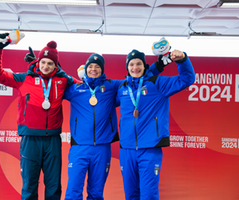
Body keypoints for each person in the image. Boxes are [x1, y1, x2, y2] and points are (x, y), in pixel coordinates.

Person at [63, 53, 168, 200]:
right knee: (73, 192)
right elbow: (56, 83)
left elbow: (137, 76)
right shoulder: (75, 89)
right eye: (90, 67)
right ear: (85, 69)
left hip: (102, 147)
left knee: (96, 193)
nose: (94, 69)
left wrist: (158, 66)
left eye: (97, 67)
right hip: (79, 147)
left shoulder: (113, 86)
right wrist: (63, 75)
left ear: (102, 70)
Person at [0, 32, 76, 200]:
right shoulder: (24, 79)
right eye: (43, 62)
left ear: (56, 65)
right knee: (29, 186)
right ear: (37, 62)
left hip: (52, 140)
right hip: (30, 139)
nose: (45, 66)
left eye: (50, 63)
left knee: (53, 187)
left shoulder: (63, 80)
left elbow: (84, 89)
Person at [116, 49, 195, 200]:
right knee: (131, 195)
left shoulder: (158, 84)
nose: (135, 67)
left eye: (139, 64)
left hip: (150, 149)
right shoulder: (122, 88)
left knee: (148, 195)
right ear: (127, 67)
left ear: (144, 66)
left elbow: (187, 79)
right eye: (131, 64)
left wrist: (182, 59)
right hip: (127, 150)